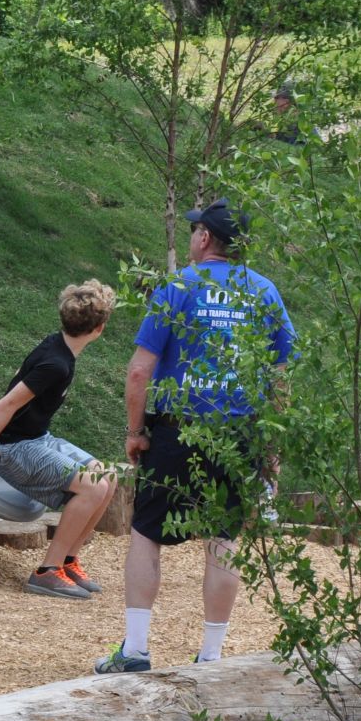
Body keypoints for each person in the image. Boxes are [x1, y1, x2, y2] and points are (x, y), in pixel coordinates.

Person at [96, 198, 296, 674]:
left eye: (194, 231)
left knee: (146, 533)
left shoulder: (178, 288)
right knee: (224, 538)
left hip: (174, 430)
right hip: (237, 434)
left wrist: (134, 432)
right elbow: (280, 379)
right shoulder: (265, 292)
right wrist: (271, 447)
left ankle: (137, 651)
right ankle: (210, 658)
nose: (191, 238)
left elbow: (140, 370)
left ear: (205, 237)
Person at [0, 280, 121, 600]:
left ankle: (68, 561)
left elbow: (18, 375)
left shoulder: (57, 346)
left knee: (107, 476)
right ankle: (47, 571)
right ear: (100, 328)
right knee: (93, 485)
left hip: (37, 438)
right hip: (13, 449)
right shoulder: (55, 364)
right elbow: (5, 404)